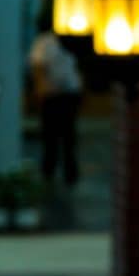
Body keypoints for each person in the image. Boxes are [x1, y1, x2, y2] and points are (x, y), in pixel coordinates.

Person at [27, 11, 82, 186]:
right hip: (53, 94)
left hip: (69, 93)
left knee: (68, 135)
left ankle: (68, 172)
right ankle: (49, 170)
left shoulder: (73, 40)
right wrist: (40, 89)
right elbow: (37, 65)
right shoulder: (45, 42)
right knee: (51, 135)